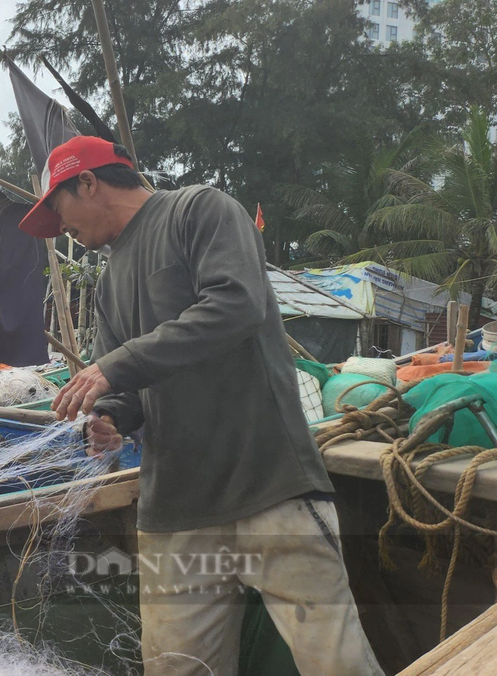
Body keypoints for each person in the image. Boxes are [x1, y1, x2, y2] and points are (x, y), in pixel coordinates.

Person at [20, 136, 382, 675]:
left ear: (89, 181)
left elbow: (235, 305)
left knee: (336, 663)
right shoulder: (108, 282)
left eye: (58, 208)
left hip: (268, 487)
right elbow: (125, 385)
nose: (60, 227)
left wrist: (115, 367)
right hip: (176, 512)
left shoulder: (199, 210)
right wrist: (112, 417)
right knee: (176, 667)